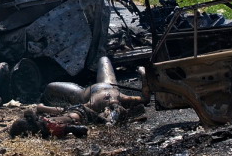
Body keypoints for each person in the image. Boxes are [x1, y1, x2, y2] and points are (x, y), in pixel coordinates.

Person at [9, 57, 150, 138]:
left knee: (50, 87)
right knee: (104, 59)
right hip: (102, 86)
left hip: (85, 93)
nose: (112, 102)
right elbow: (145, 98)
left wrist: (43, 109)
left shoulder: (92, 106)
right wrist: (143, 74)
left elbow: (74, 113)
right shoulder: (121, 99)